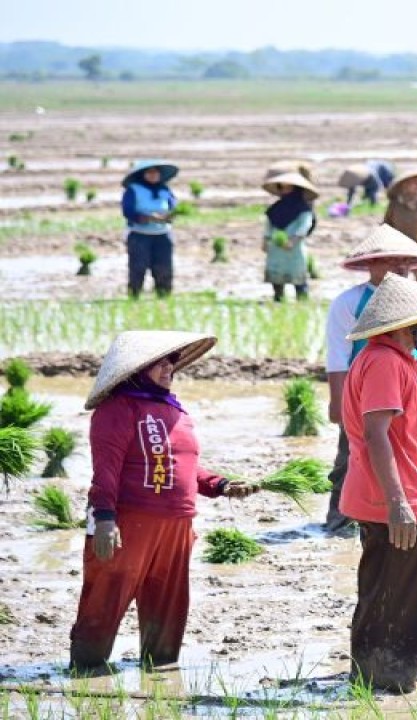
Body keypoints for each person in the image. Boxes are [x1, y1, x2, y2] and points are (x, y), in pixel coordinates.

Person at [69, 330, 258, 672]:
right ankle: (88, 664)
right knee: (107, 592)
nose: (168, 368)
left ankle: (161, 667)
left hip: (177, 524)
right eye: (158, 363)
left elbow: (182, 466)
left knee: (168, 600)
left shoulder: (176, 411)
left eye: (171, 361)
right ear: (134, 371)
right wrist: (106, 519)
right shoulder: (118, 408)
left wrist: (221, 484)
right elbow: (105, 471)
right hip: (128, 520)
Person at [340, 273, 417, 692]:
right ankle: (385, 677)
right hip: (393, 500)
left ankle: (412, 669)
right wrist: (398, 502)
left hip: (406, 495)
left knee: (410, 590)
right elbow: (376, 433)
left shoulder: (395, 361)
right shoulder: (383, 362)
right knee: (391, 591)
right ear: (403, 326)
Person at [323, 224, 417, 534]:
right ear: (371, 264)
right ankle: (340, 521)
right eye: (392, 261)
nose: (401, 268)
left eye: (405, 262)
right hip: (369, 397)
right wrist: (337, 401)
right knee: (353, 458)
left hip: (408, 394)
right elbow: (338, 355)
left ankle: (399, 510)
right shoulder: (349, 302)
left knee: (407, 456)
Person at [120, 160, 179, 299]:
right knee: (138, 267)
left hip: (162, 235)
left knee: (163, 267)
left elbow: (173, 207)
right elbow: (128, 211)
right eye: (149, 172)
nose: (153, 175)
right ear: (143, 174)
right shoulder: (133, 190)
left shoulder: (165, 190)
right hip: (139, 235)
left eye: (156, 172)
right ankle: (134, 295)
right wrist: (149, 218)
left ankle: (164, 296)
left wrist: (170, 216)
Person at [262, 171, 318, 302]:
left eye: (288, 187)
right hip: (276, 248)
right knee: (276, 276)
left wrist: (293, 240)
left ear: (296, 189)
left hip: (294, 249)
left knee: (298, 276)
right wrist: (265, 240)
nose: (284, 190)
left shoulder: (304, 209)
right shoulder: (275, 208)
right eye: (282, 187)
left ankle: (303, 301)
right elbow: (268, 226)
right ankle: (278, 298)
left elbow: (305, 226)